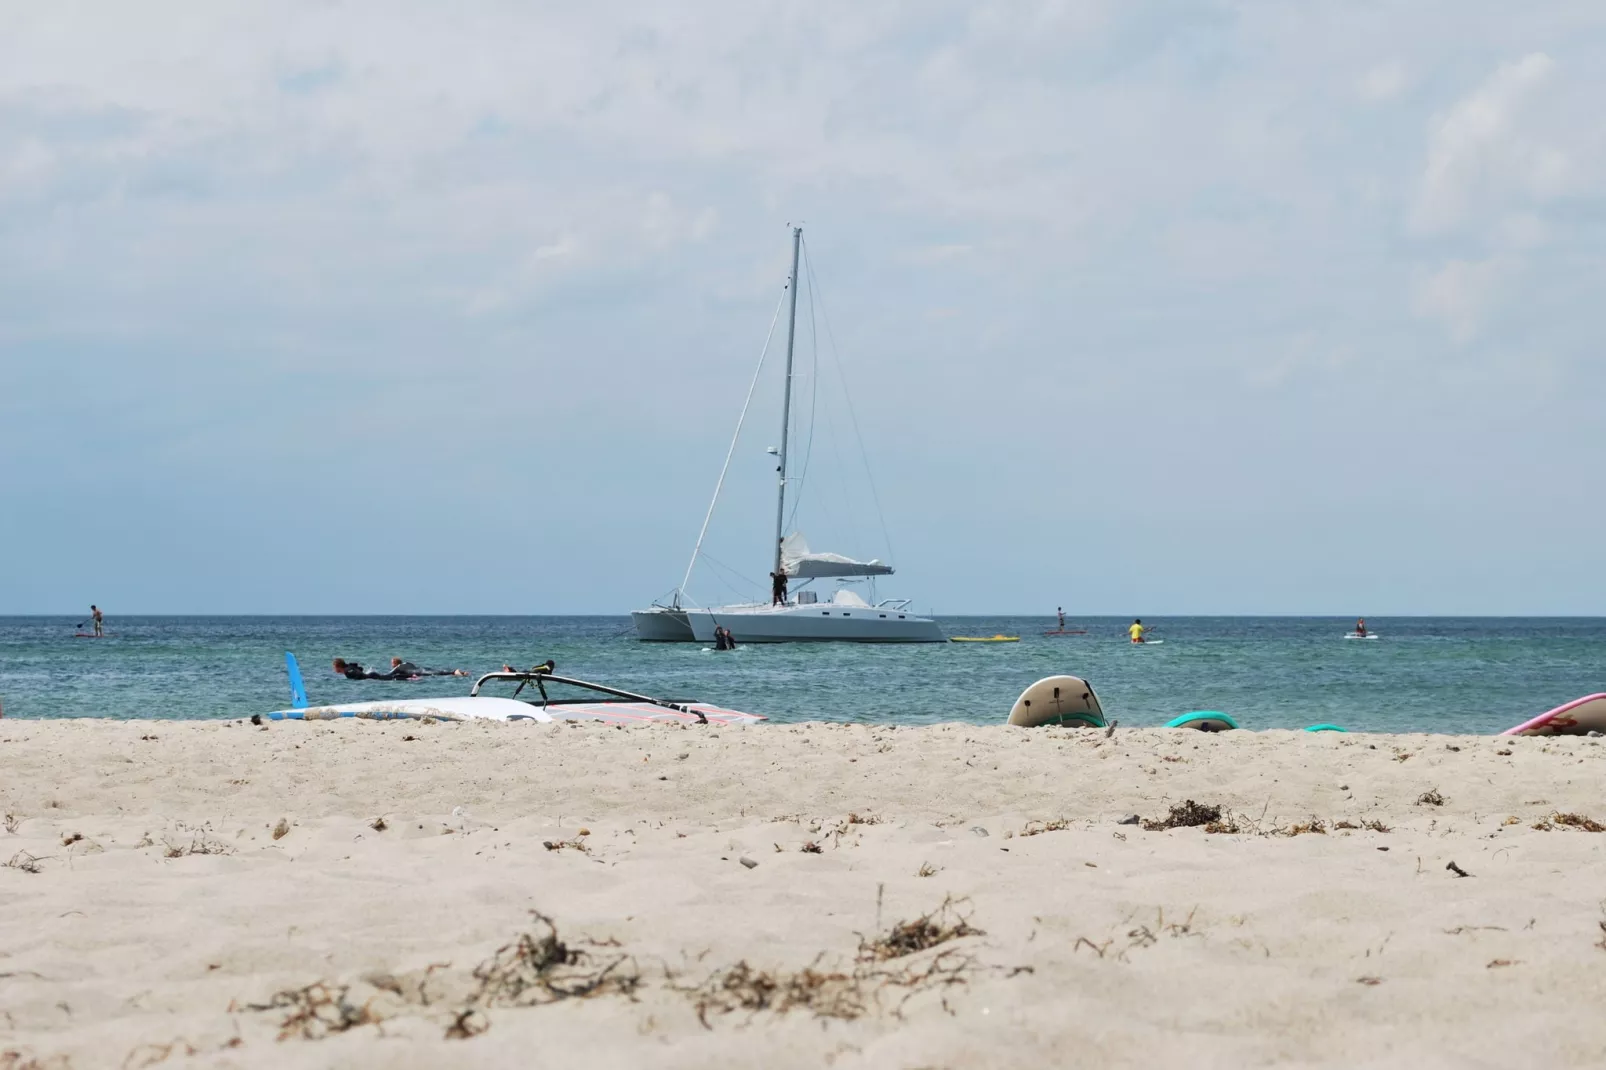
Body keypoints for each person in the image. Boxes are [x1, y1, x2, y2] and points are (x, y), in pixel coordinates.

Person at [390, 657, 468, 677]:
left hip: (421, 672)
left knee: (437, 673)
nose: (391, 665)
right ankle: (460, 672)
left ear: (396, 664)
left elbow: (387, 675)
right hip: (422, 668)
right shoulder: (407, 663)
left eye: (392, 663)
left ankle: (454, 672)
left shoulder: (398, 668)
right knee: (437, 670)